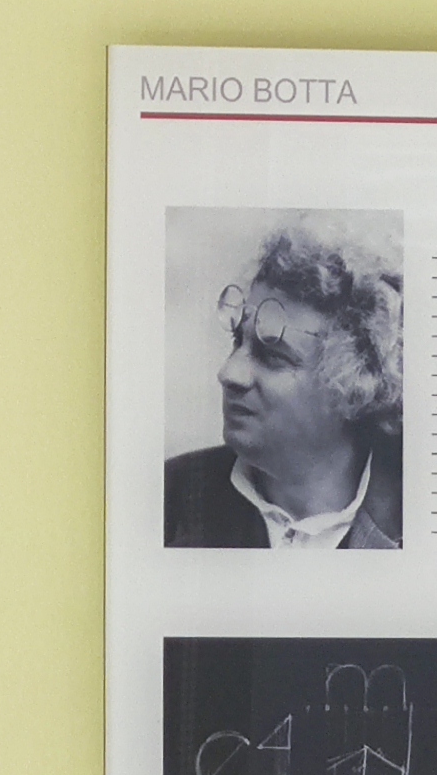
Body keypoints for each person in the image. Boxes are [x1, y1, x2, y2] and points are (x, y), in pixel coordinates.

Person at [165, 215, 405, 548]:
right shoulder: (172, 498)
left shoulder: (419, 517)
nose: (229, 373)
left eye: (272, 356)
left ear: (358, 387)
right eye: (238, 341)